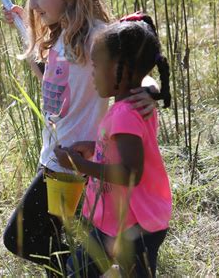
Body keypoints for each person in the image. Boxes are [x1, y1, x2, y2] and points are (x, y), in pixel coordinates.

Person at [2, 0, 158, 275]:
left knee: (24, 240)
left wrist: (151, 92)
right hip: (57, 161)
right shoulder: (62, 37)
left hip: (81, 166)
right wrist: (25, 32)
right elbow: (51, 80)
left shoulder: (98, 37)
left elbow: (135, 75)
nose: (32, 3)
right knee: (45, 241)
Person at [55, 14, 172, 277]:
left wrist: (79, 164)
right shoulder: (130, 104)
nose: (92, 74)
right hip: (120, 220)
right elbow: (120, 146)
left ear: (120, 69)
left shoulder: (125, 113)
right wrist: (94, 147)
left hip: (136, 225)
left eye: (96, 66)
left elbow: (131, 172)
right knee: (80, 270)